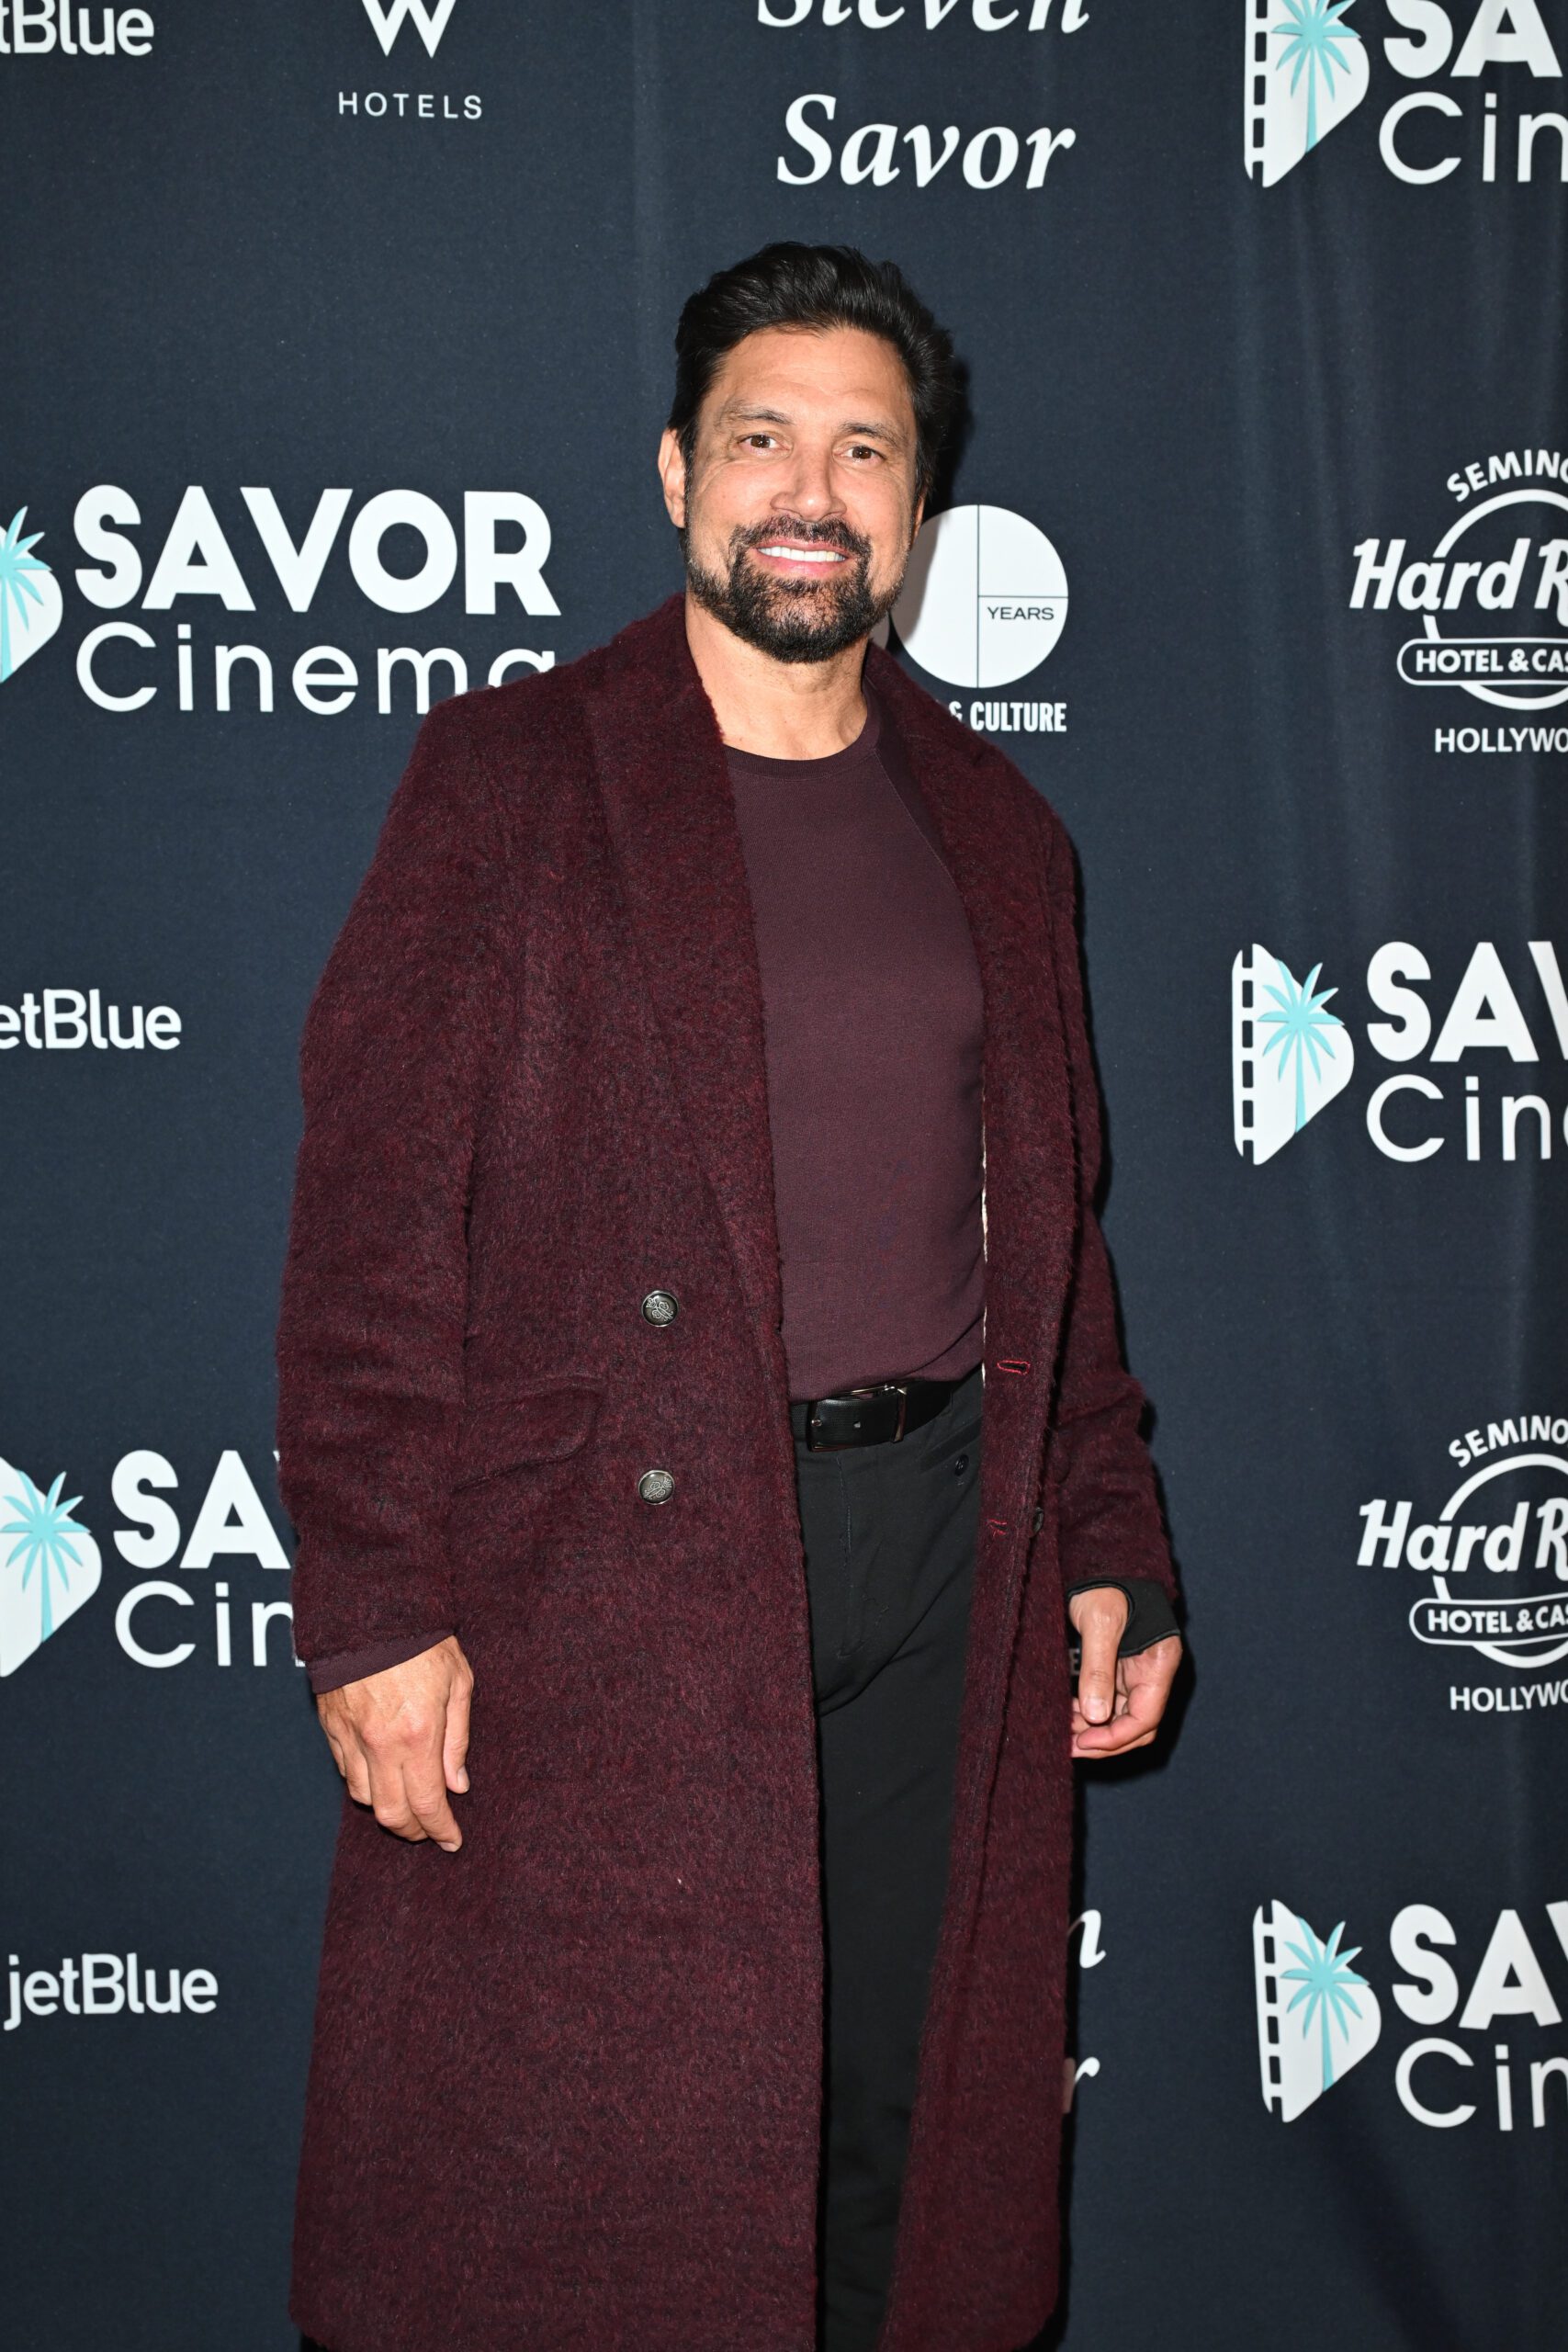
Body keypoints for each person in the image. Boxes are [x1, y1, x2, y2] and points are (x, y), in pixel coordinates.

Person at [276, 242, 1183, 2352]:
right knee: (591, 2175)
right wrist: (376, 1601)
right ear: (678, 471)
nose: (810, 490)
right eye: (763, 438)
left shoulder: (1000, 831)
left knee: (888, 2130)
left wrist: (1104, 1533)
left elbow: (1055, 1239)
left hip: (938, 1553)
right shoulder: (511, 777)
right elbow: (370, 1218)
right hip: (601, 1575)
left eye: (864, 450)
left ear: (916, 506)